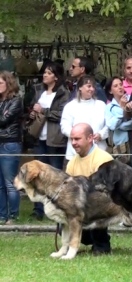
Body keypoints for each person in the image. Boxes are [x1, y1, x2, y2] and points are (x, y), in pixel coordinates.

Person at [28, 61, 70, 220]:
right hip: (39, 137)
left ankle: (56, 208)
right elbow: (33, 108)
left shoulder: (62, 93)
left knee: (55, 175)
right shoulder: (39, 91)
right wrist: (33, 113)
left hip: (55, 139)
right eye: (44, 72)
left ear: (56, 77)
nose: (45, 75)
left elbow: (61, 114)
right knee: (37, 175)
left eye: (49, 73)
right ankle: (38, 210)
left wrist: (44, 111)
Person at [66, 123, 114, 254]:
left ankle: (102, 245)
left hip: (104, 206)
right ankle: (76, 242)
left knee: (96, 205)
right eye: (72, 139)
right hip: (82, 207)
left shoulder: (103, 158)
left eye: (77, 139)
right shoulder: (71, 163)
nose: (73, 143)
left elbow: (107, 191)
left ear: (90, 138)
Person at [60, 75, 108, 162]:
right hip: (75, 154)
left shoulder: (101, 105)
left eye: (93, 86)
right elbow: (65, 126)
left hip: (99, 154)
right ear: (80, 88)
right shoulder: (70, 106)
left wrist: (101, 135)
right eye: (89, 86)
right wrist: (79, 138)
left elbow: (108, 125)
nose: (92, 89)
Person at [0, 71, 23, 225]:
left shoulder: (16, 100)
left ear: (8, 83)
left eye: (0, 82)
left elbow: (3, 120)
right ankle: (2, 214)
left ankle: (13, 215)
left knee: (10, 182)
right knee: (0, 184)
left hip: (10, 143)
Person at [104, 76, 132, 164]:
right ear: (110, 91)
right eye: (116, 86)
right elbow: (112, 125)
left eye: (121, 84)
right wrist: (121, 108)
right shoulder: (109, 107)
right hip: (121, 145)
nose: (120, 87)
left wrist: (121, 126)